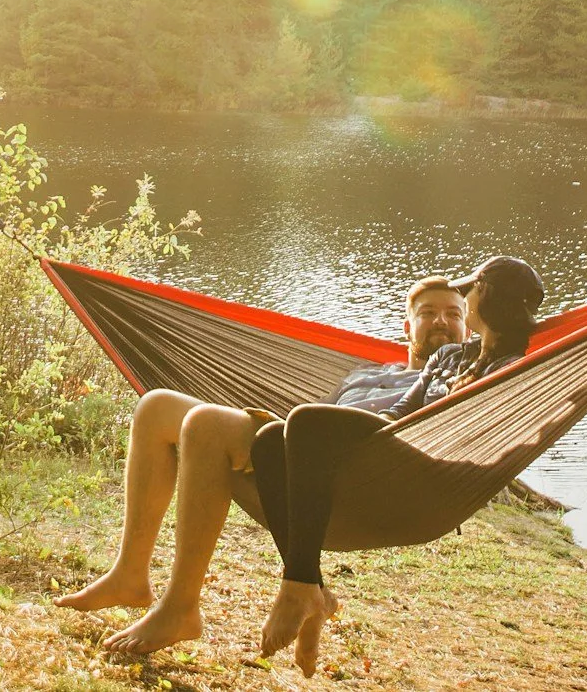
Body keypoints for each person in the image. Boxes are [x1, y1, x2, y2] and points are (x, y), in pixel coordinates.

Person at [53, 277, 471, 658]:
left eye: (454, 314)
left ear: (468, 331)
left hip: (364, 481)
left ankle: (180, 609)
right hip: (298, 456)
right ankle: (130, 574)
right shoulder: (364, 374)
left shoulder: (454, 379)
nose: (441, 320)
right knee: (155, 407)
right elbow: (314, 418)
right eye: (428, 312)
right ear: (406, 327)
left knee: (206, 426)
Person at [250, 255, 545, 670]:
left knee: (303, 420)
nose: (465, 298)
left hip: (430, 471)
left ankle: (297, 588)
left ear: (489, 300)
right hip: (397, 444)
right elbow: (404, 410)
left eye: (472, 290)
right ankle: (311, 588)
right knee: (267, 441)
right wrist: (357, 435)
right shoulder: (450, 357)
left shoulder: (512, 368)